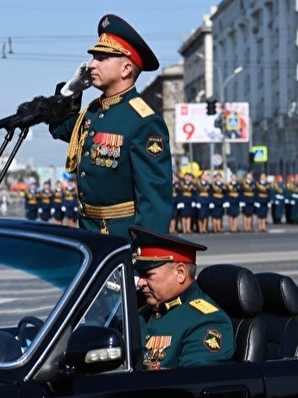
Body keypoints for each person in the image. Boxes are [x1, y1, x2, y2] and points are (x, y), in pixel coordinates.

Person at [49, 14, 172, 241]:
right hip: (89, 234)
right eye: (93, 57)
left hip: (121, 239)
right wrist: (70, 91)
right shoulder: (93, 112)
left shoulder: (143, 121)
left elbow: (154, 200)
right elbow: (59, 127)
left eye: (102, 57)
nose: (91, 64)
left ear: (125, 69)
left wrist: (144, 263)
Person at [130, 225, 235, 369]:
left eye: (148, 275)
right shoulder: (145, 310)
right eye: (140, 275)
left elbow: (193, 384)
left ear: (180, 273)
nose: (141, 282)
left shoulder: (207, 321)